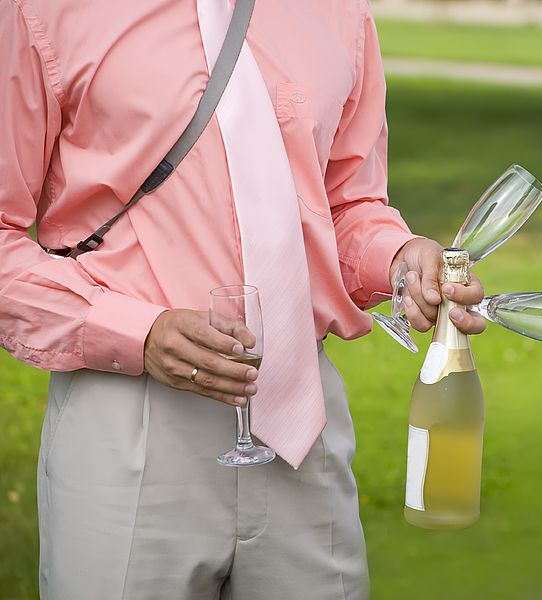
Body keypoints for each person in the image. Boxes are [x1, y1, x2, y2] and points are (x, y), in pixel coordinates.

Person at [0, 0, 486, 598]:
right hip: (130, 419)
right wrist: (135, 332)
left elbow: (348, 203)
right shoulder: (40, 11)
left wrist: (397, 257)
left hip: (303, 420)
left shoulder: (339, 12)